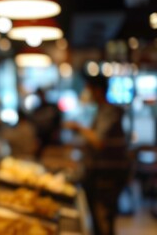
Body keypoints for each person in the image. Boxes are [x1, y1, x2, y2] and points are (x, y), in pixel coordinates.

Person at [65, 74, 130, 235]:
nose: (87, 94)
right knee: (98, 220)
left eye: (89, 90)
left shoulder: (110, 111)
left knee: (103, 219)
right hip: (100, 174)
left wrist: (78, 128)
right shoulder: (102, 110)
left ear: (98, 91)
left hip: (107, 175)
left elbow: (99, 141)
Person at [31, 88, 62, 159]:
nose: (40, 97)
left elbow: (59, 122)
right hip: (41, 141)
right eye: (38, 95)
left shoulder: (52, 107)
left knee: (55, 158)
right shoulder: (36, 110)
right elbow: (33, 126)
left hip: (54, 140)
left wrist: (56, 133)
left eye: (41, 94)